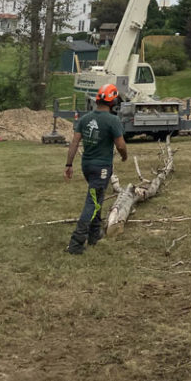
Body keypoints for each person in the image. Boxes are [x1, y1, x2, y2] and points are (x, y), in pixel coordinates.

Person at [64, 83, 128, 255]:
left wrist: (69, 164)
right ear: (113, 101)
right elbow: (121, 145)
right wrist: (124, 156)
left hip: (87, 166)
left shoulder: (85, 119)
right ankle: (76, 243)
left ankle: (94, 235)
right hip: (101, 169)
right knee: (92, 202)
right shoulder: (113, 120)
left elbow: (75, 142)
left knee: (97, 197)